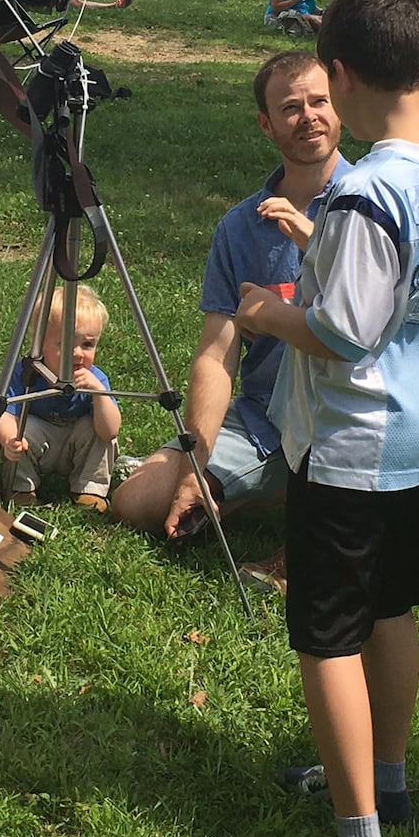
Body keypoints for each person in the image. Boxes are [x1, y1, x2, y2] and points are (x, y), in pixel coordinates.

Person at [240, 0, 419, 837]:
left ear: (340, 77)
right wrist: (331, 251)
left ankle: (359, 827)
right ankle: (386, 782)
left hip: (353, 452)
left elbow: (344, 335)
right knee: (390, 611)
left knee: (327, 639)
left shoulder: (364, 192)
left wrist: (268, 313)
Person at [111, 50, 351, 538]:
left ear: (339, 104)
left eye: (319, 101)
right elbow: (216, 355)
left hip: (344, 420)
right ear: (266, 125)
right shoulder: (242, 227)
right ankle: (248, 482)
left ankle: (277, 488)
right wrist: (194, 466)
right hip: (265, 418)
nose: (308, 117)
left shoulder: (369, 203)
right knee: (134, 503)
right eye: (290, 108)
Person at [0, 284, 121, 514]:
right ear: (40, 343)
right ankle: (21, 488)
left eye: (87, 344)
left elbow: (110, 430)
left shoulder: (96, 379)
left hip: (76, 445)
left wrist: (99, 394)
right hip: (37, 442)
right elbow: (5, 412)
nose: (77, 353)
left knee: (97, 432)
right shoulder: (26, 373)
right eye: (65, 344)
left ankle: (90, 488)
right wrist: (8, 439)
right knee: (21, 428)